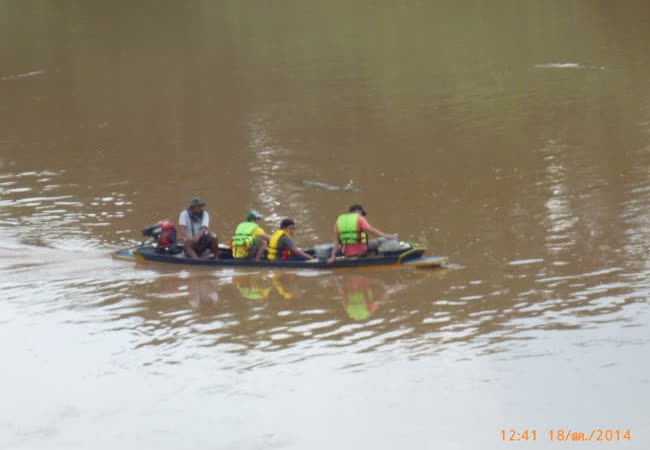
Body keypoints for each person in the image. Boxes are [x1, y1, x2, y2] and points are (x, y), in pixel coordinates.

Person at [327, 204, 396, 264]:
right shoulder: (359, 218)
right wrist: (386, 236)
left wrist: (333, 256)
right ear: (358, 211)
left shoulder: (339, 220)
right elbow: (371, 230)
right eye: (362, 213)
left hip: (346, 253)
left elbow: (336, 240)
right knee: (376, 243)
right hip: (360, 251)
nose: (362, 215)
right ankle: (373, 259)